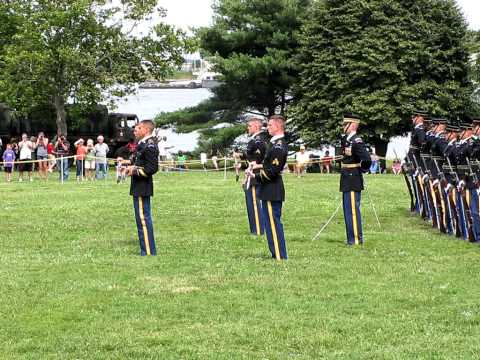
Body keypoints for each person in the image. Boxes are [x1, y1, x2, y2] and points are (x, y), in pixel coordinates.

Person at [247, 115, 289, 260]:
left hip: (272, 188)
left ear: (277, 126)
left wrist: (255, 176)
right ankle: (276, 253)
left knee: (273, 223)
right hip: (269, 188)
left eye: (270, 125)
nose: (267, 128)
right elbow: (268, 165)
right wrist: (257, 166)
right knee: (270, 222)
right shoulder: (274, 143)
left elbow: (272, 171)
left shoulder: (278, 146)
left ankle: (279, 255)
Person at [126, 120, 159, 256]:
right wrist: (128, 163)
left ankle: (148, 251)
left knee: (143, 219)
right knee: (142, 218)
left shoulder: (150, 145)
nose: (135, 131)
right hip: (139, 185)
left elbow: (151, 168)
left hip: (142, 186)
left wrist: (133, 171)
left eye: (138, 128)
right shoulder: (144, 144)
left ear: (145, 129)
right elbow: (140, 161)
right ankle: (147, 249)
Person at [340, 113, 372, 246]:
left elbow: (367, 159)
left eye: (345, 124)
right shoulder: (347, 139)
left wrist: (361, 170)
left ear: (352, 125)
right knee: (348, 210)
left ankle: (356, 239)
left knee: (353, 210)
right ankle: (351, 238)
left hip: (353, 178)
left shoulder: (356, 141)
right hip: (347, 177)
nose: (343, 127)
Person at [244, 117, 267, 236]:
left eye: (249, 126)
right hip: (251, 174)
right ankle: (255, 228)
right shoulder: (254, 140)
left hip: (255, 175)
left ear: (256, 126)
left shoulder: (258, 141)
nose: (247, 128)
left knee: (254, 202)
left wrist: (249, 174)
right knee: (250, 202)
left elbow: (257, 161)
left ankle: (258, 229)